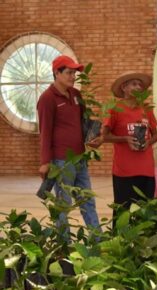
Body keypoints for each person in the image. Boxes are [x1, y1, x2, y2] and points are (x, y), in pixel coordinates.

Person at [37, 55, 102, 233]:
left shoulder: (76, 94)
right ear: (56, 73)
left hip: (80, 158)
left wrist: (92, 137)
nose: (73, 77)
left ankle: (99, 242)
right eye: (69, 73)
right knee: (63, 206)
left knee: (88, 201)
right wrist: (45, 162)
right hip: (61, 162)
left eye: (74, 73)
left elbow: (83, 121)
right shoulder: (47, 98)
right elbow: (45, 131)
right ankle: (62, 248)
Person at [103, 72, 157, 212]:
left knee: (145, 212)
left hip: (146, 169)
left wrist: (148, 142)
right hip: (124, 171)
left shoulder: (146, 109)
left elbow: (156, 135)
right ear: (124, 87)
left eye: (140, 85)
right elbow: (104, 136)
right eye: (134, 84)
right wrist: (125, 139)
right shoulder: (114, 109)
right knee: (123, 212)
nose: (139, 87)